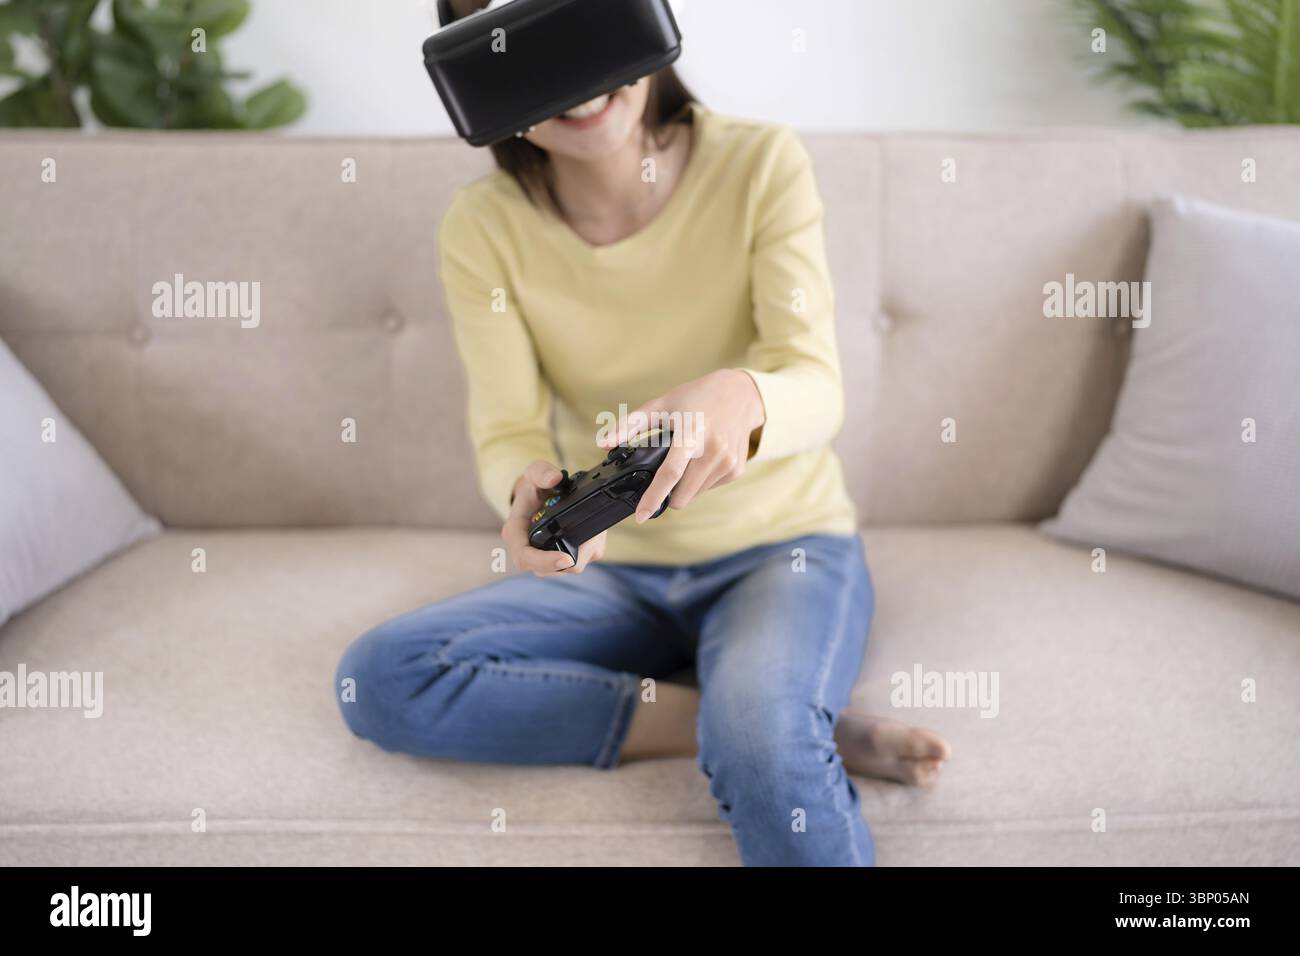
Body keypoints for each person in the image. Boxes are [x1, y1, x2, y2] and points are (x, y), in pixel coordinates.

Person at [337, 4, 950, 865]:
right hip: (614, 566)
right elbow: (507, 426)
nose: (579, 85)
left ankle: (770, 724)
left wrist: (740, 397)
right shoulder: (482, 226)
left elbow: (816, 383)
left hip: (782, 549)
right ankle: (783, 722)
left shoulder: (759, 162)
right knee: (383, 680)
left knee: (765, 749)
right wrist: (522, 490)